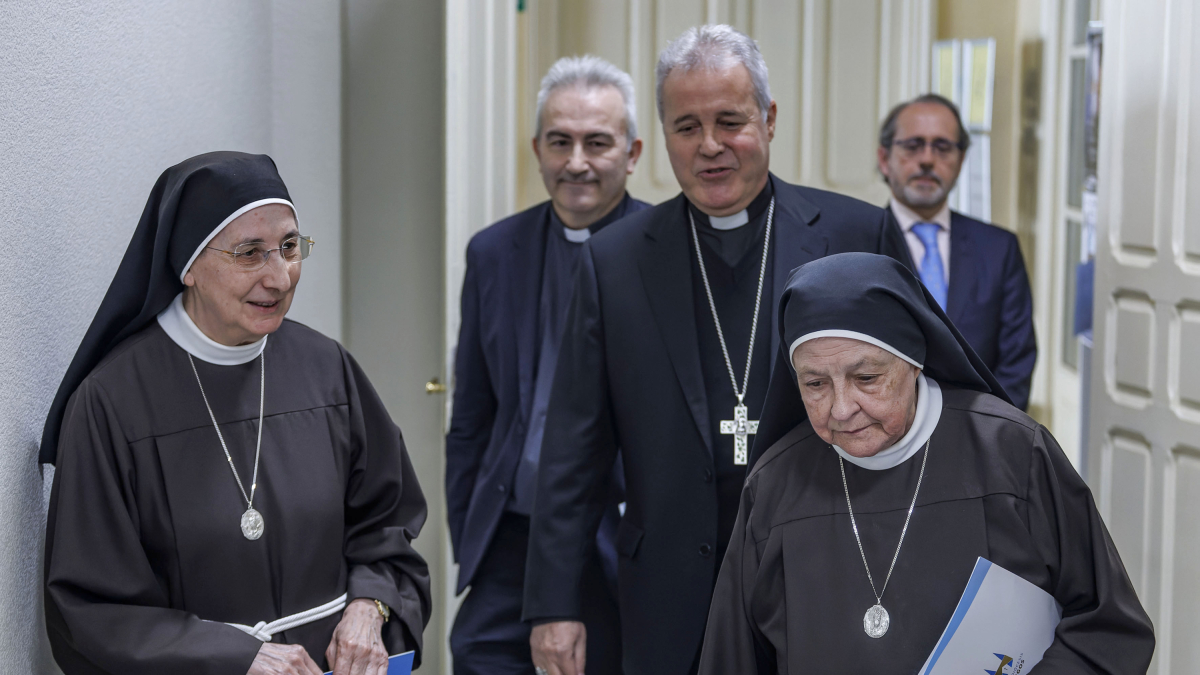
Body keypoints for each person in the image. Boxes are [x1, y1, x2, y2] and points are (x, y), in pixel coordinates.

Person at [524, 26, 910, 675]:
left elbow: (920, 404)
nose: (709, 147)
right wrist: (552, 605)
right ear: (662, 136)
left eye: (729, 121)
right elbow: (571, 447)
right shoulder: (614, 264)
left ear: (769, 117)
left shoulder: (855, 234)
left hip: (830, 573)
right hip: (667, 593)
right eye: (686, 126)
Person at [41, 152, 432, 675]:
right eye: (250, 253)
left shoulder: (327, 369)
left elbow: (386, 526)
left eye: (290, 248)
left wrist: (369, 607)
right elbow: (93, 608)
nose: (280, 277)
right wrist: (236, 658)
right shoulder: (112, 402)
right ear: (188, 266)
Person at [698, 252, 1154, 674]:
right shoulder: (774, 485)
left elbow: (1108, 627)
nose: (840, 408)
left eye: (867, 378)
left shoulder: (1013, 452)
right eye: (815, 384)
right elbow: (732, 658)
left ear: (914, 361)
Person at [446, 55, 646, 675]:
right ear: (537, 147)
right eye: (560, 141)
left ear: (634, 153)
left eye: (597, 142)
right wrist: (468, 526)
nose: (577, 162)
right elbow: (473, 413)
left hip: (619, 540)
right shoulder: (493, 252)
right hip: (512, 536)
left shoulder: (666, 253)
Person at [878, 94, 1037, 410]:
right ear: (885, 158)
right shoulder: (857, 243)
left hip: (981, 436)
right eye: (913, 146)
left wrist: (994, 435)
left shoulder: (998, 249)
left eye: (942, 147)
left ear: (961, 160)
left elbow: (1016, 361)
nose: (927, 159)